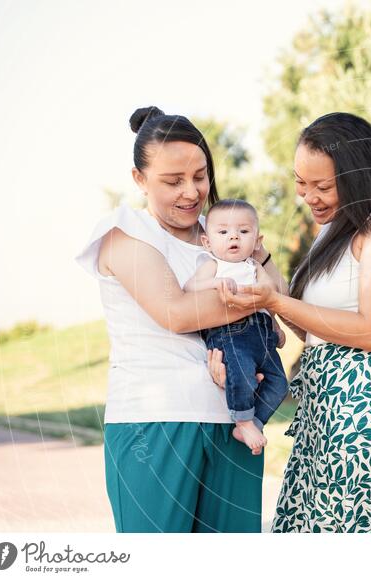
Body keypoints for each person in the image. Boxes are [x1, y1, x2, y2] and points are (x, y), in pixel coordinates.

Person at [208, 112, 371, 532]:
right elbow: (312, 329)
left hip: (363, 409)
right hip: (323, 410)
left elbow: (369, 330)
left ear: (359, 175)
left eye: (322, 186)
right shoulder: (335, 230)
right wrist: (263, 267)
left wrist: (276, 301)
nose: (307, 196)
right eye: (301, 183)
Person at [75, 106, 283, 532]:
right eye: (173, 181)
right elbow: (177, 312)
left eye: (200, 176)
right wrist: (258, 301)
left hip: (234, 422)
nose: (192, 192)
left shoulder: (223, 231)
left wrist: (258, 255)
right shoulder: (125, 232)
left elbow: (278, 295)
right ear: (139, 179)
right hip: (155, 422)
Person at [184, 199, 289, 454]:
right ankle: (242, 419)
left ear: (256, 240)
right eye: (223, 232)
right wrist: (216, 283)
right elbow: (189, 288)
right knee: (241, 375)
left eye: (243, 231)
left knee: (279, 384)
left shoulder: (254, 266)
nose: (234, 237)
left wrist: (275, 324)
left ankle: (254, 422)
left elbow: (270, 294)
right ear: (208, 242)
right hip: (232, 334)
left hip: (262, 334)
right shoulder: (213, 265)